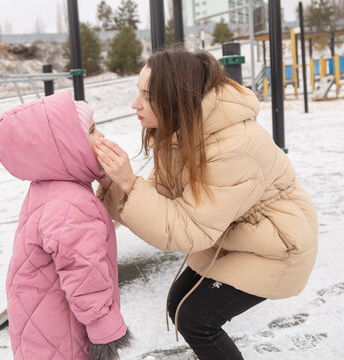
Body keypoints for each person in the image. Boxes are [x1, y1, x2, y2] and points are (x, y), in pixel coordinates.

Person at [94, 47, 318, 360]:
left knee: (196, 318)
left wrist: (130, 183)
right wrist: (112, 184)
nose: (135, 104)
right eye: (137, 93)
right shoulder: (183, 129)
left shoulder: (230, 147)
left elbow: (187, 229)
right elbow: (162, 195)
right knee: (179, 302)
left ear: (174, 97)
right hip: (238, 233)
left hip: (278, 244)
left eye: (146, 96)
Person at [0, 90, 132, 360]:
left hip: (42, 329)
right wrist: (105, 333)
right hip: (66, 339)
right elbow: (84, 274)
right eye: (91, 131)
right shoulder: (71, 203)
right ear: (64, 148)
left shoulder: (48, 188)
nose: (101, 137)